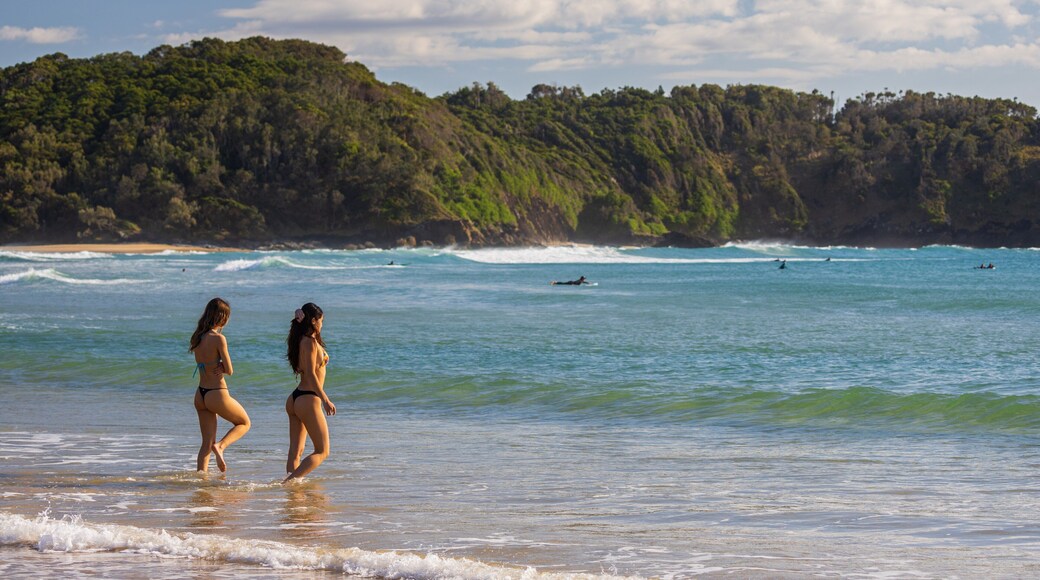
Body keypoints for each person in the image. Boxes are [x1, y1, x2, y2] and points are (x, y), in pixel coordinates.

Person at [190, 297, 250, 473]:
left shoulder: (198, 337)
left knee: (206, 443)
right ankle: (222, 446)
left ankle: (201, 480)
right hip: (216, 393)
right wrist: (223, 366)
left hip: (200, 394)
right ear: (223, 317)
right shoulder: (218, 338)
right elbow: (230, 370)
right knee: (244, 423)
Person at [284, 302, 337, 482]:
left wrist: (300, 313)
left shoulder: (301, 339)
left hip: (296, 398)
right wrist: (325, 399)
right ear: (314, 321)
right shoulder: (310, 342)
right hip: (308, 398)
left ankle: (293, 497)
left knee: (296, 452)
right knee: (322, 451)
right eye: (321, 321)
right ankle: (287, 485)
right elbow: (311, 374)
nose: (322, 324)